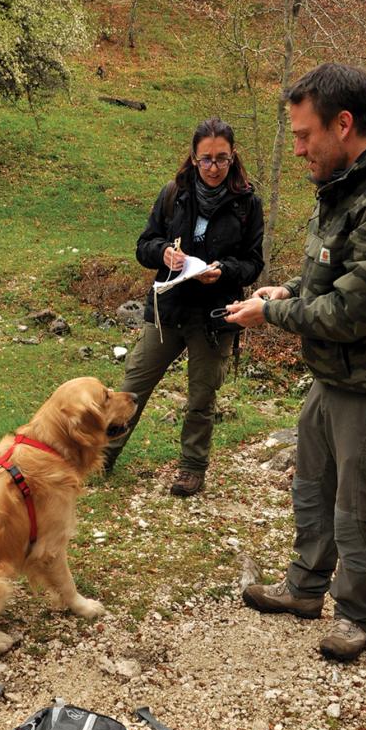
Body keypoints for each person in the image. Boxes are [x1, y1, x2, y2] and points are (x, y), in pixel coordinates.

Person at [226, 63, 366, 661]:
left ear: (343, 124)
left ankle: (354, 616)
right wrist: (289, 291)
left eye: (304, 136)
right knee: (314, 488)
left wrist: (271, 317)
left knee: (359, 505)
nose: (297, 149)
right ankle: (304, 588)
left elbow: (352, 310)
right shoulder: (348, 186)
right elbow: (334, 273)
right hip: (333, 376)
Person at [104, 117, 264, 496]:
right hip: (168, 310)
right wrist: (164, 252)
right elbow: (144, 246)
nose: (213, 167)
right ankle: (102, 458)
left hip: (215, 316)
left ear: (233, 156)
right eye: (206, 159)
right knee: (132, 387)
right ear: (193, 157)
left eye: (221, 159)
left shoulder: (247, 204)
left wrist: (224, 271)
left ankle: (192, 468)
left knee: (201, 397)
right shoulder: (174, 193)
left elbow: (254, 263)